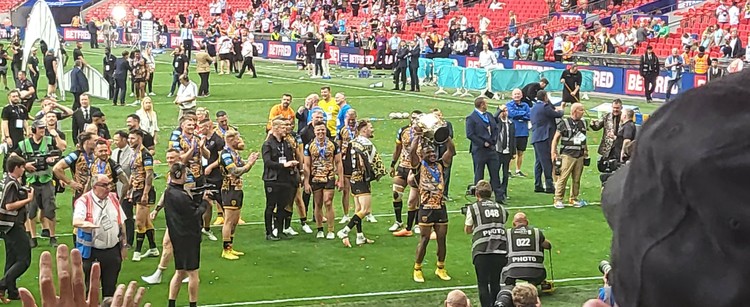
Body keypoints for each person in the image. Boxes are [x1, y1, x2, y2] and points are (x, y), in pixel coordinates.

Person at [409, 127, 454, 283]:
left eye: (433, 152)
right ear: (423, 155)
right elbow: (411, 152)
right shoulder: (419, 166)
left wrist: (445, 136)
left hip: (440, 208)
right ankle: (417, 268)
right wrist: (417, 136)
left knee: (442, 239)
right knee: (425, 239)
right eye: (429, 153)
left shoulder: (441, 164)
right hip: (426, 208)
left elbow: (451, 150)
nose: (433, 154)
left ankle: (441, 267)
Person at [73, 174, 126, 299]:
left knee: (110, 287)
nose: (108, 188)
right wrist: (87, 224)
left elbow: (121, 222)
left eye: (109, 184)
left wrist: (124, 246)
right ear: (94, 186)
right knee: (91, 289)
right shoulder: (84, 201)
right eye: (104, 185)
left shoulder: (113, 198)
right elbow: (76, 221)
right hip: (92, 253)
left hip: (113, 251)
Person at [336, 119, 386, 246]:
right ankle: (345, 230)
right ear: (364, 130)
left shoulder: (353, 142)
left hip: (353, 178)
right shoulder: (365, 143)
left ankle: (360, 236)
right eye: (370, 127)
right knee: (365, 210)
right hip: (361, 179)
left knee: (358, 209)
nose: (372, 129)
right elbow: (366, 161)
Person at [164, 162, 206, 307]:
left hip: (177, 237)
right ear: (179, 175)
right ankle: (192, 304)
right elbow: (194, 214)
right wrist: (205, 202)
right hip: (188, 238)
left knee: (180, 271)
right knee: (193, 274)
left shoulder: (169, 191)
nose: (187, 177)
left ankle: (171, 303)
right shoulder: (180, 195)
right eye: (185, 174)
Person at [17, 120, 63, 248]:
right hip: (31, 182)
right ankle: (33, 237)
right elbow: (13, 157)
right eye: (40, 128)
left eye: (44, 128)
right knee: (31, 211)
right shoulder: (24, 144)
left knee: (50, 209)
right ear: (33, 130)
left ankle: (52, 236)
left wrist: (52, 159)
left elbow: (60, 150)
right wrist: (24, 165)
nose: (43, 130)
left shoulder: (49, 140)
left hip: (46, 180)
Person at [464, 180, 508, 307]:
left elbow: (467, 229)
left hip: (481, 249)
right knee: (495, 282)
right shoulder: (501, 208)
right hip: (500, 249)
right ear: (491, 193)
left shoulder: (473, 208)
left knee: (482, 283)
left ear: (477, 193)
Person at [0, 155, 34, 302]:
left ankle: (11, 292)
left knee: (11, 259)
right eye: (22, 167)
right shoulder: (11, 184)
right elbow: (8, 205)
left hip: (5, 226)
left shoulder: (6, 180)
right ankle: (1, 286)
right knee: (24, 259)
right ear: (17, 168)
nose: (23, 170)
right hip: (12, 225)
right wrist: (28, 199)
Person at [221, 130, 259, 255]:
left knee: (235, 220)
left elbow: (242, 166)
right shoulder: (226, 154)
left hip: (237, 189)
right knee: (229, 220)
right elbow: (235, 171)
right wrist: (249, 164)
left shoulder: (234, 153)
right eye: (237, 138)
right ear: (231, 140)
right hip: (229, 189)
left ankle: (230, 247)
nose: (239, 141)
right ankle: (225, 250)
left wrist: (250, 161)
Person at [304, 122, 344, 239]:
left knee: (328, 201)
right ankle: (320, 228)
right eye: (318, 130)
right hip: (316, 177)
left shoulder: (333, 145)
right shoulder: (309, 145)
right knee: (318, 203)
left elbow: (338, 162)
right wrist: (306, 182)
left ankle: (331, 230)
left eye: (322, 130)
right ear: (314, 132)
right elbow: (306, 164)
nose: (320, 132)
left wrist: (340, 179)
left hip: (329, 176)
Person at [390, 111, 422, 235]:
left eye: (417, 118)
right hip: (402, 166)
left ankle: (417, 223)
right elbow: (398, 148)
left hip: (416, 168)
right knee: (396, 194)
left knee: (415, 199)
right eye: (413, 118)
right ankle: (398, 221)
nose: (414, 120)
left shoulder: (423, 134)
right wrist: (393, 164)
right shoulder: (403, 131)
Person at [551, 103, 588, 209]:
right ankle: (558, 199)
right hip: (567, 154)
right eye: (581, 110)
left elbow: (584, 138)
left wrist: (585, 150)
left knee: (576, 179)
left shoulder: (583, 123)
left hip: (579, 155)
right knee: (563, 177)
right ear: (575, 111)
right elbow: (556, 138)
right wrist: (554, 152)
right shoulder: (564, 123)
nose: (583, 112)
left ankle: (574, 198)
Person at [466, 97, 502, 202]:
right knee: (479, 173)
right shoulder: (471, 118)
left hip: (491, 149)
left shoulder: (489, 115)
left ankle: (499, 196)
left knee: (495, 173)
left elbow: (495, 128)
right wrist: (482, 143)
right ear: (481, 105)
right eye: (486, 103)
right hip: (479, 150)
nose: (487, 105)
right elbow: (470, 134)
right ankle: (480, 196)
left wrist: (493, 140)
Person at [501, 212, 551, 286]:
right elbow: (548, 246)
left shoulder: (508, 233)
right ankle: (533, 285)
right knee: (535, 276)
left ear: (513, 223)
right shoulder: (536, 232)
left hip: (513, 271)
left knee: (506, 266)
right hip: (536, 271)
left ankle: (510, 287)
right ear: (527, 222)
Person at [530, 91, 564, 194]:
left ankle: (538, 184)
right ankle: (549, 185)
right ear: (545, 97)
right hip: (544, 137)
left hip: (536, 137)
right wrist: (562, 108)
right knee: (546, 161)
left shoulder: (534, 107)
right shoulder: (544, 107)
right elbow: (557, 114)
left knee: (539, 162)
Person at [53, 132, 97, 202]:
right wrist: (70, 182)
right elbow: (57, 168)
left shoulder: (97, 154)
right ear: (87, 142)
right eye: (95, 140)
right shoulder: (75, 155)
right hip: (81, 194)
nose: (97, 142)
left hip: (97, 192)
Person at [337, 108, 356, 223]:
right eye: (349, 119)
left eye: (353, 119)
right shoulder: (342, 131)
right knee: (346, 189)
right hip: (346, 161)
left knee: (363, 189)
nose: (351, 122)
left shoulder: (360, 130)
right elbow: (338, 148)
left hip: (358, 160)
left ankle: (367, 212)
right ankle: (346, 214)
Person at [494, 104, 515, 203]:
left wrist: (513, 151)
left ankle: (504, 191)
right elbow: (494, 117)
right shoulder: (497, 122)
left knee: (505, 174)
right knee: (495, 173)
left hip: (507, 151)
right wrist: (499, 110)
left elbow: (513, 138)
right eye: (502, 111)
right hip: (498, 151)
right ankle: (496, 191)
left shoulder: (510, 123)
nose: (504, 112)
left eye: (506, 110)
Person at [506, 89, 530, 178]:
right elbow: (512, 114)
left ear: (522, 95)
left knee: (521, 152)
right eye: (515, 94)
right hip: (513, 132)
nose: (517, 95)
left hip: (523, 132)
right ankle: (508, 170)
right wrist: (523, 114)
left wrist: (520, 115)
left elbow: (530, 115)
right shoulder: (509, 105)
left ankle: (518, 170)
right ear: (512, 96)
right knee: (511, 153)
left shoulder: (525, 105)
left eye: (518, 94)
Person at [590, 99, 622, 164]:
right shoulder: (606, 116)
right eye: (614, 108)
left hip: (619, 147)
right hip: (607, 147)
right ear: (612, 107)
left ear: (621, 108)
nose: (615, 110)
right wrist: (593, 124)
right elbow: (597, 127)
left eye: (617, 108)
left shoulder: (624, 117)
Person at [1, 90, 30, 155]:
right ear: (9, 98)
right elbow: (4, 123)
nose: (16, 98)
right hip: (12, 135)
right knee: (11, 154)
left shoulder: (22, 107)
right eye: (13, 96)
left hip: (21, 134)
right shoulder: (7, 109)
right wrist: (7, 137)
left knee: (21, 152)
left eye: (17, 96)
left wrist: (28, 131)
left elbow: (24, 120)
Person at [110, 131, 133, 196]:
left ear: (124, 140)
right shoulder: (114, 152)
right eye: (114, 140)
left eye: (117, 140)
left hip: (127, 188)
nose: (115, 142)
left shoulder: (132, 153)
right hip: (115, 187)